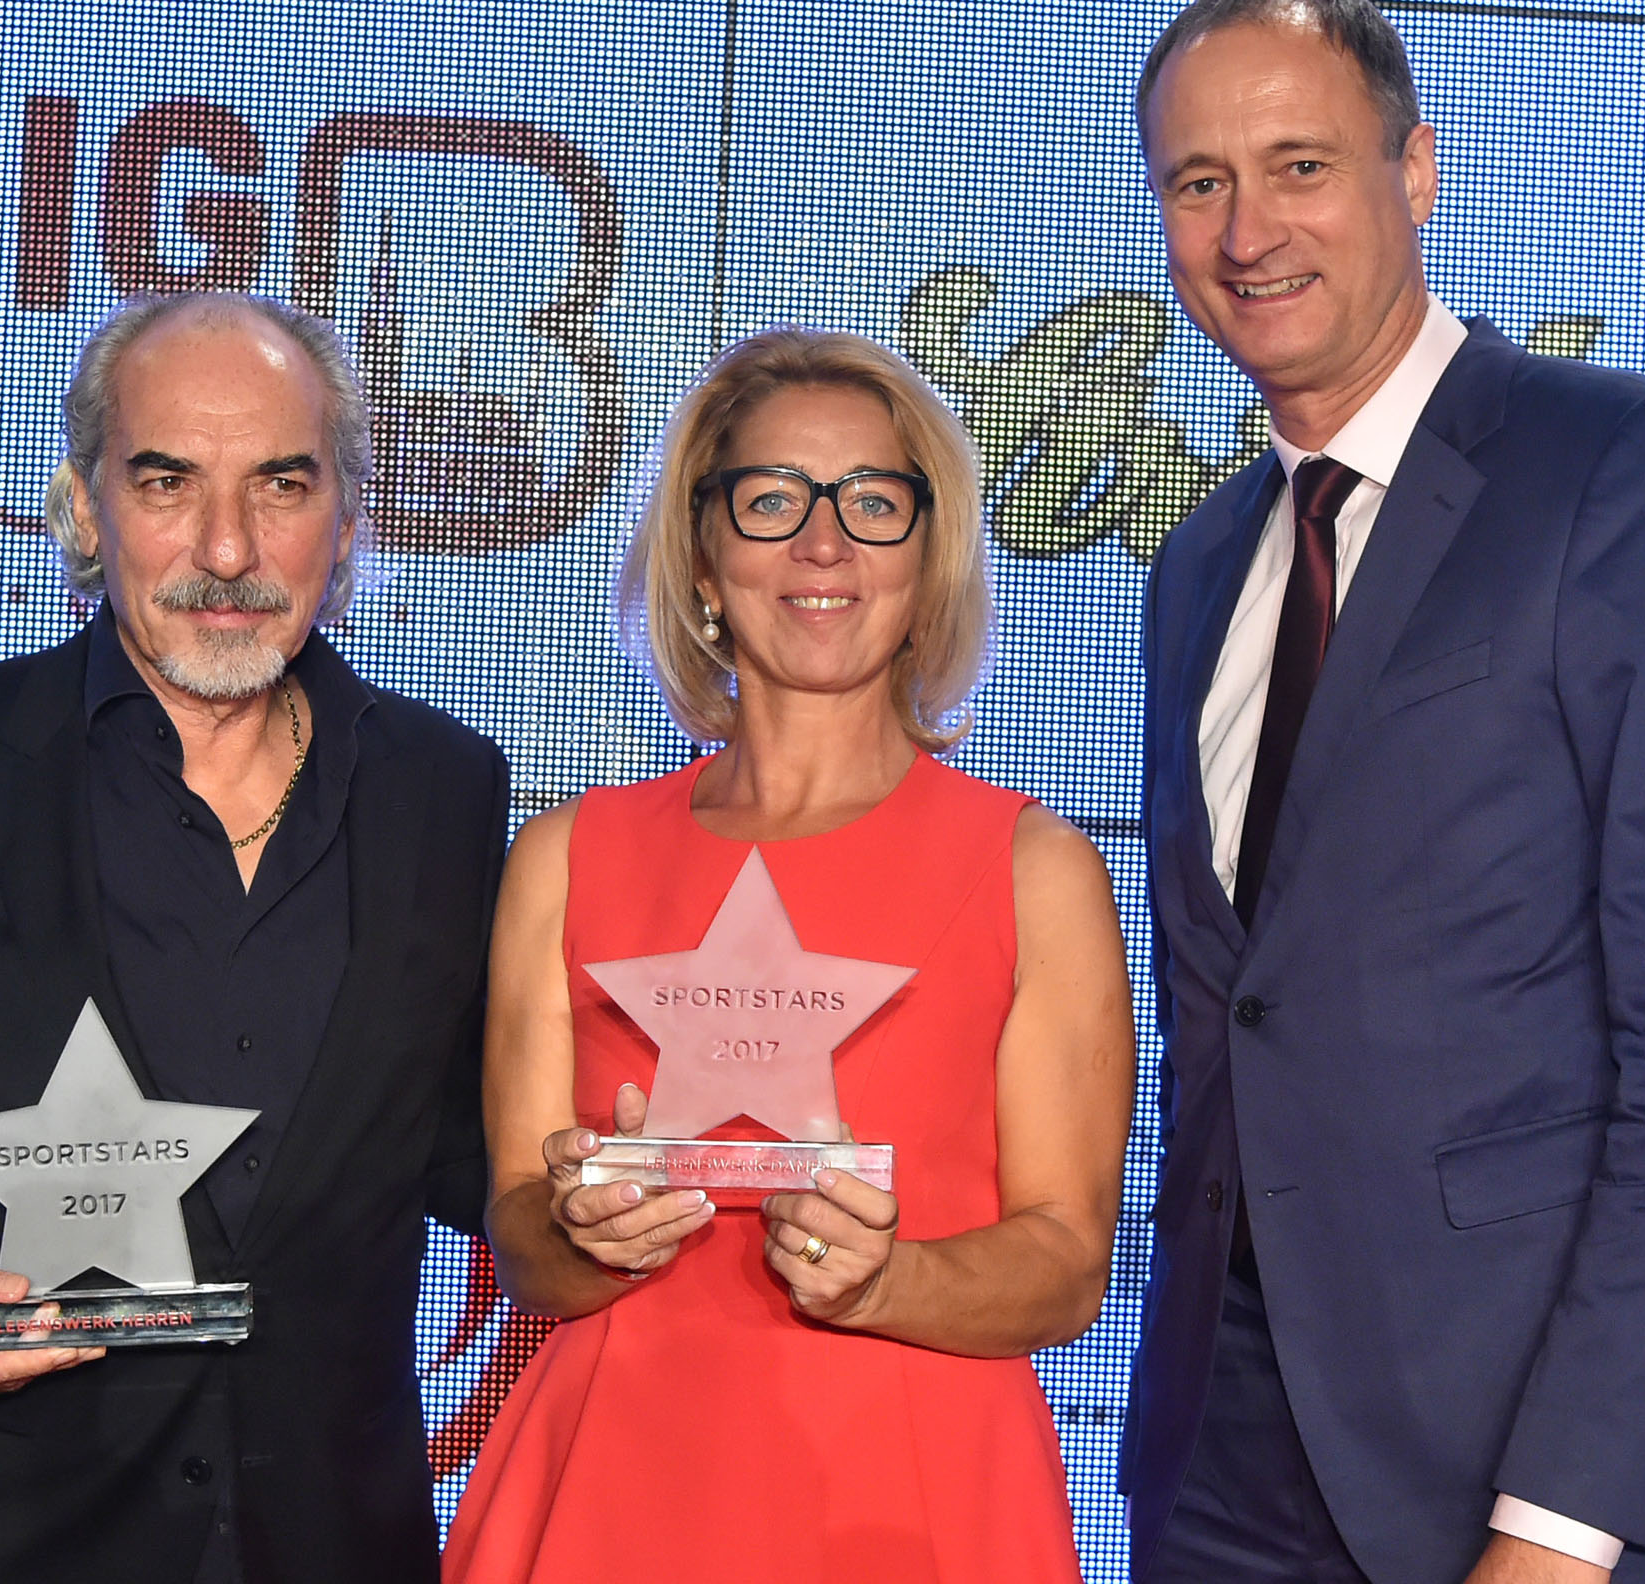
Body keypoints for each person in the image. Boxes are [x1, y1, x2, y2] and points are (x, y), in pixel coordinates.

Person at [1123, 0, 1645, 1584]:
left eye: (1300, 166)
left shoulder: (1627, 468)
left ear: (1415, 169)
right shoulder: (1204, 562)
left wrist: (1566, 1522)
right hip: (1220, 1464)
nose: (1248, 232)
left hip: (1527, 1477)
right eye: (1198, 182)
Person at [0, 292, 509, 1583]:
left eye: (281, 484)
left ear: (348, 518)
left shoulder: (443, 792)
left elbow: (450, 1146)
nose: (226, 547)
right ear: (83, 507)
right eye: (167, 482)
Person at [442, 329, 1134, 1583]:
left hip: (911, 1499)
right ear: (703, 557)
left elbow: (1068, 1263)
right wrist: (583, 1230)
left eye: (873, 502)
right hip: (613, 1492)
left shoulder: (1037, 871)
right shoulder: (565, 858)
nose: (825, 543)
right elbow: (519, 1232)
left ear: (927, 558)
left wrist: (887, 1282)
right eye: (772, 500)